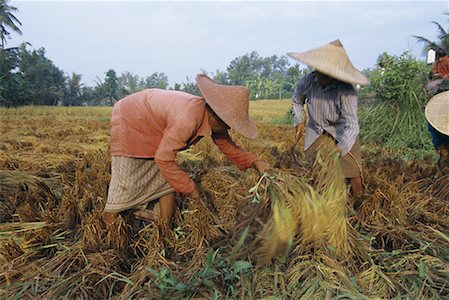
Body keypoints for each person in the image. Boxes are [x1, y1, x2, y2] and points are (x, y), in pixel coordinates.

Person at [102, 74, 270, 227]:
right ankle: (106, 233)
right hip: (132, 118)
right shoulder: (188, 119)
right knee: (125, 185)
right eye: (229, 124)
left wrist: (256, 162)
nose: (229, 129)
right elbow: (164, 159)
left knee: (167, 181)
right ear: (218, 116)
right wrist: (191, 188)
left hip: (154, 123)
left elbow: (228, 147)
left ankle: (164, 229)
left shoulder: (210, 118)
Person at [287, 39, 369, 201]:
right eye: (319, 69)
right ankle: (317, 202)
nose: (321, 74)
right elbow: (297, 101)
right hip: (316, 128)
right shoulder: (308, 81)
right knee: (312, 168)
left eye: (327, 71)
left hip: (342, 131)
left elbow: (352, 125)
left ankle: (360, 206)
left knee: (352, 173)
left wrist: (340, 149)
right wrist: (300, 120)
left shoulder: (346, 90)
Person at [425, 90, 449, 172]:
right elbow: (434, 133)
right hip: (445, 142)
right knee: (444, 158)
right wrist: (440, 146)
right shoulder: (434, 115)